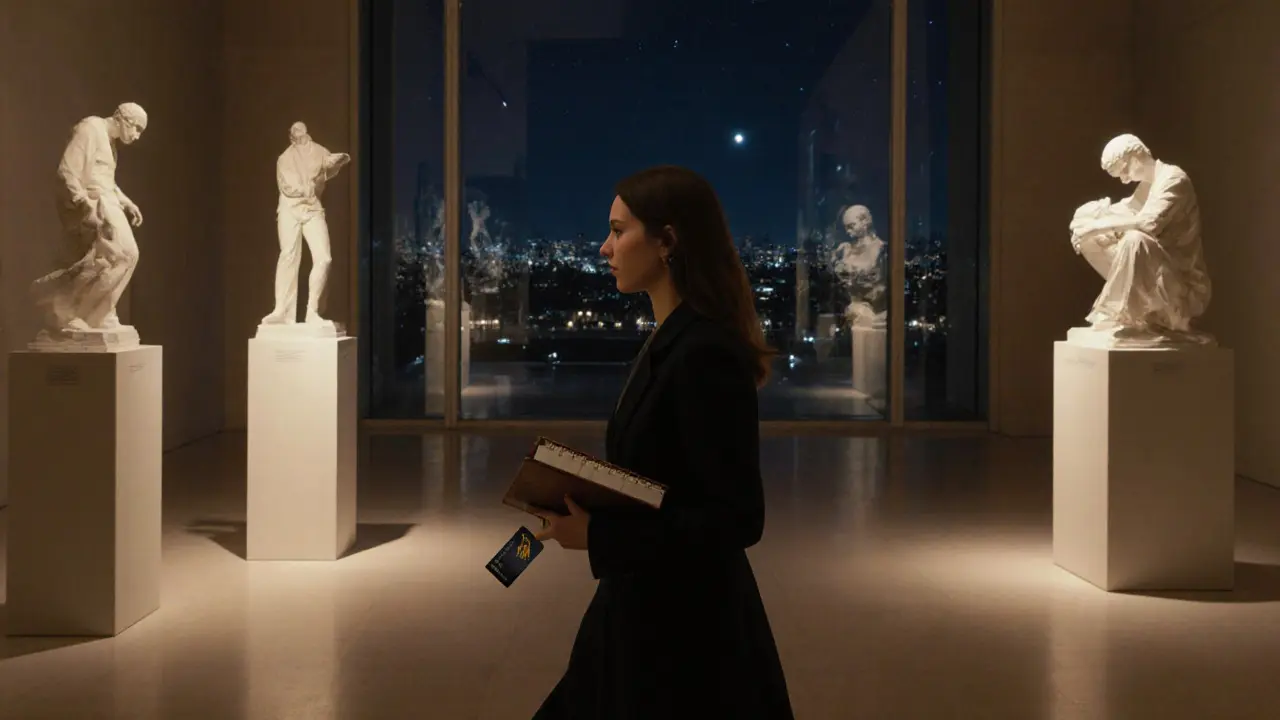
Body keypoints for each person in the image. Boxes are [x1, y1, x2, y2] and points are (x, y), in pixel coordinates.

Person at [532, 166, 794, 719]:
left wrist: (600, 535)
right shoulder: (673, 339)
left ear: (667, 241)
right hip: (651, 611)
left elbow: (737, 518)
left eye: (618, 230)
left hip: (684, 636)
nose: (604, 248)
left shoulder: (702, 353)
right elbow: (670, 481)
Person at [1068, 133, 1212, 343]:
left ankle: (1125, 314)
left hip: (1182, 285)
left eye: (1124, 170)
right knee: (1090, 239)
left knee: (1135, 239)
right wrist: (1087, 218)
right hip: (1157, 275)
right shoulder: (1146, 186)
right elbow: (1124, 211)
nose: (1123, 179)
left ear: (1137, 154)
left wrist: (1095, 226)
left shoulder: (1174, 179)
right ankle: (1137, 312)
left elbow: (1147, 223)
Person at [33, 102, 148, 333]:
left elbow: (105, 180)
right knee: (119, 256)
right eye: (136, 128)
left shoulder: (110, 143)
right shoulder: (90, 128)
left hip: (108, 203)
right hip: (96, 205)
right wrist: (84, 205)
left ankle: (100, 313)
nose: (136, 136)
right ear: (122, 118)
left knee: (126, 257)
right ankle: (73, 312)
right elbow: (68, 171)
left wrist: (127, 202)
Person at [262, 121, 350, 328]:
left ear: (306, 133)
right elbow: (287, 186)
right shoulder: (284, 159)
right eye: (294, 131)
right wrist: (305, 189)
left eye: (300, 130)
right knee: (288, 255)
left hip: (312, 209)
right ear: (291, 136)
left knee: (324, 258)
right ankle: (282, 310)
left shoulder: (318, 150)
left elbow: (327, 163)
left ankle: (313, 310)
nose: (298, 134)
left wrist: (338, 159)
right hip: (290, 209)